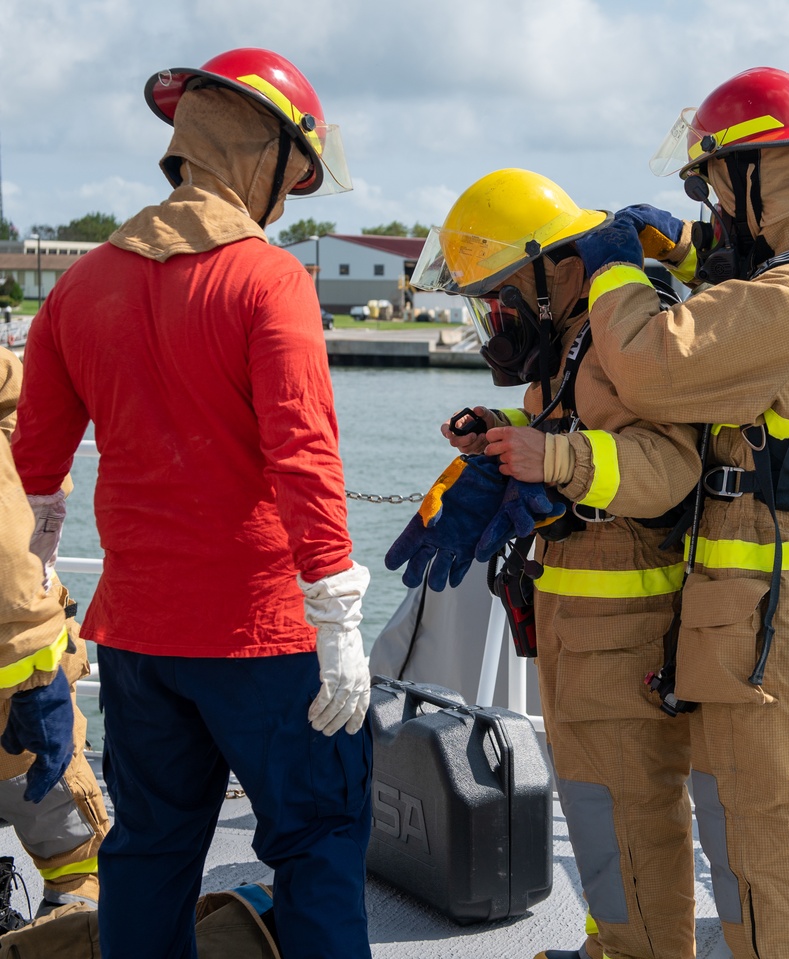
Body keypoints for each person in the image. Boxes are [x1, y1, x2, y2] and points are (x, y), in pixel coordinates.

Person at [11, 48, 372, 959]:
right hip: (263, 636)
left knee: (149, 848)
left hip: (136, 638)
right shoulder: (269, 279)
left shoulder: (80, 286)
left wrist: (37, 572)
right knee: (319, 839)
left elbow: (34, 469)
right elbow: (304, 455)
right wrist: (338, 615)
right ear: (265, 155)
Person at [569, 67, 789, 959]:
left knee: (779, 829)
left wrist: (614, 270)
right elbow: (748, 276)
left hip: (772, 618)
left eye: (714, 184)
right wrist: (686, 247)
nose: (713, 204)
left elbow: (654, 364)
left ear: (750, 174)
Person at [404, 168, 704, 959]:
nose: (496, 318)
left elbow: (670, 465)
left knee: (632, 810)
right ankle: (615, 944)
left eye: (502, 296)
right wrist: (502, 429)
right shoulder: (571, 345)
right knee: (596, 805)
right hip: (578, 622)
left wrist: (557, 458)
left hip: (627, 624)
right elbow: (575, 423)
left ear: (562, 271)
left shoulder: (621, 336)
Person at [0, 346, 108, 924]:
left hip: (18, 665)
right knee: (72, 850)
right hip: (20, 672)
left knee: (68, 844)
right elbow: (13, 574)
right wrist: (40, 679)